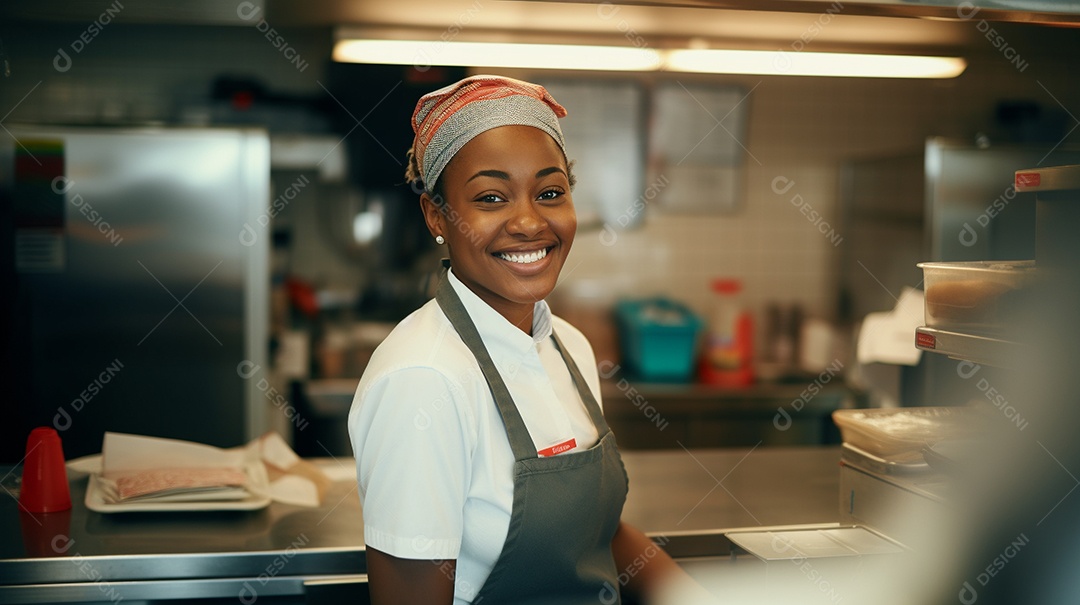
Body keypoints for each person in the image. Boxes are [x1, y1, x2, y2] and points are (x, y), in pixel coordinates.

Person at [349, 75, 700, 605]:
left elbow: (600, 533)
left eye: (551, 192)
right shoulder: (423, 379)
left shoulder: (570, 347)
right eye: (491, 197)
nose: (530, 222)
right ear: (436, 215)